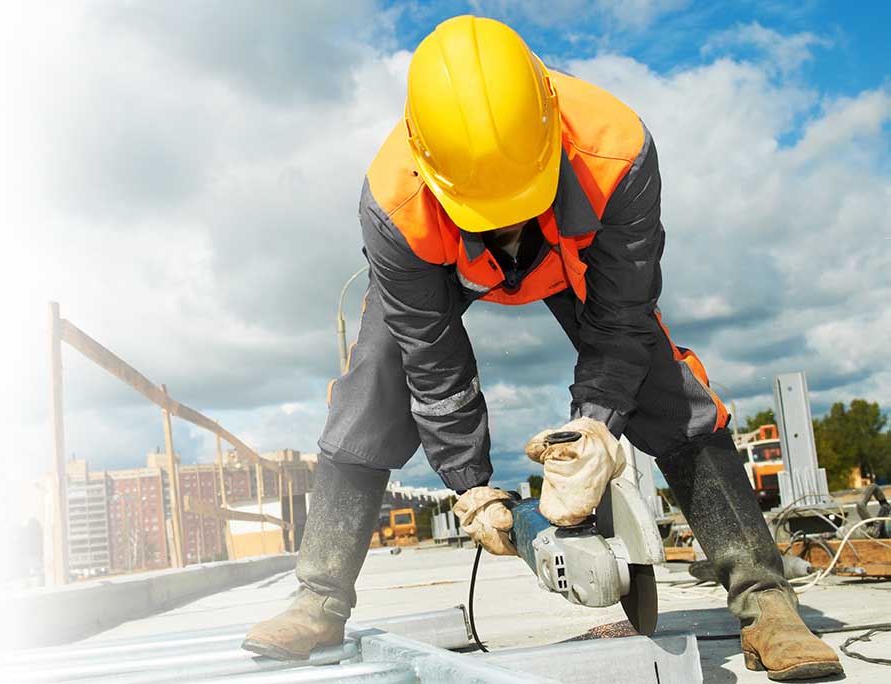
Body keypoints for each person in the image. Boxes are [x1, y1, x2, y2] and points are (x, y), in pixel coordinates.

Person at [242, 15, 842, 681]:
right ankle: (319, 598)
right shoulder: (393, 202)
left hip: (571, 254)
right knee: (375, 382)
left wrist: (594, 430)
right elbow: (432, 361)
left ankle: (765, 601)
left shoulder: (617, 150)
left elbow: (621, 319)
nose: (507, 226)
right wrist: (470, 486)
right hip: (442, 265)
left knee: (664, 384)